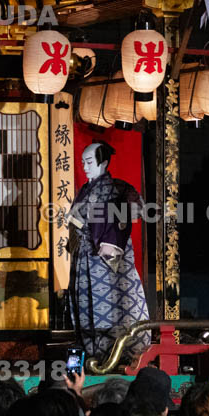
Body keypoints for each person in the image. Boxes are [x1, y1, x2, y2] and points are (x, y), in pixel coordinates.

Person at [68, 141, 150, 364]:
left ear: (103, 163)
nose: (84, 167)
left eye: (89, 162)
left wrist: (107, 232)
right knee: (86, 307)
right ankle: (92, 355)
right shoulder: (85, 189)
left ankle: (121, 357)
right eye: (82, 162)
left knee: (116, 308)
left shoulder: (118, 188)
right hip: (84, 257)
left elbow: (133, 213)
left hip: (110, 260)